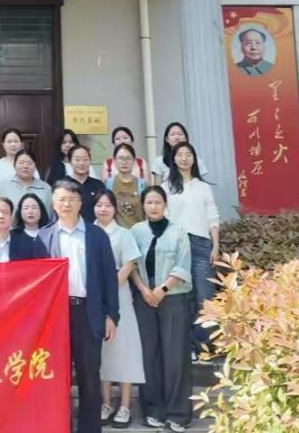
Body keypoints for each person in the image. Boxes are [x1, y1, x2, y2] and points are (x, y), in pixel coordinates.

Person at [38, 182, 118, 433]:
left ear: (80, 203)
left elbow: (109, 278)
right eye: (61, 199)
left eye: (72, 199)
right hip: (57, 317)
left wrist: (111, 315)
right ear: (53, 203)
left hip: (88, 312)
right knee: (56, 377)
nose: (66, 204)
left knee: (89, 377)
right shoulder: (44, 237)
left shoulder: (96, 236)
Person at [129, 185, 194, 431]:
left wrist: (162, 289)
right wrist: (144, 290)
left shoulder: (179, 231)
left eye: (158, 202)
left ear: (165, 204)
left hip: (173, 298)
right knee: (149, 354)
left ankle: (178, 413)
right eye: (149, 202)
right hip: (144, 299)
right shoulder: (136, 231)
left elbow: (183, 264)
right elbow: (131, 264)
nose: (153, 206)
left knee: (175, 355)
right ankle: (153, 409)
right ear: (143, 206)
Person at [163, 141, 220, 354]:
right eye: (180, 154)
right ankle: (186, 347)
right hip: (177, 245)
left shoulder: (203, 187)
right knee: (180, 298)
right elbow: (164, 217)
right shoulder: (167, 186)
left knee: (204, 297)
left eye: (188, 154)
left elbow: (212, 216)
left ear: (194, 159)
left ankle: (204, 347)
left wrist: (215, 246)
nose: (184, 158)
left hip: (201, 245)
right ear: (173, 158)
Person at [94, 190, 146, 428]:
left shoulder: (124, 234)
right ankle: (105, 403)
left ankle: (124, 405)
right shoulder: (88, 232)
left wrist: (109, 287)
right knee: (102, 351)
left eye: (107, 205)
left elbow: (128, 264)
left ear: (115, 208)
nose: (103, 209)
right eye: (99, 205)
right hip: (94, 297)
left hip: (119, 295)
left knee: (124, 348)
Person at [0, 150, 55, 222]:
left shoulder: (45, 188)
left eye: (29, 163)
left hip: (40, 229)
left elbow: (51, 216)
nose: (25, 166)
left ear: (35, 166)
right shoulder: (4, 185)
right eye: (21, 163)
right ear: (14, 165)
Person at [66, 144, 108, 224]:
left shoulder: (98, 185)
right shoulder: (63, 185)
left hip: (94, 228)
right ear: (70, 161)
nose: (81, 163)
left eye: (85, 159)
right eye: (77, 160)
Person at [107, 143, 146, 229]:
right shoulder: (109, 184)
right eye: (121, 158)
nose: (124, 162)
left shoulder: (142, 184)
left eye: (128, 158)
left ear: (134, 161)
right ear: (114, 161)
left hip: (138, 231)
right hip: (116, 232)